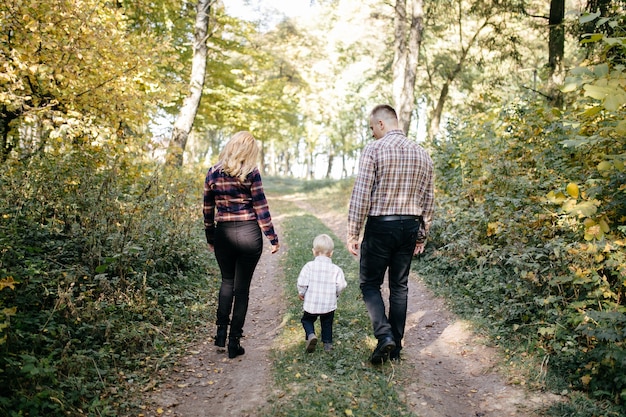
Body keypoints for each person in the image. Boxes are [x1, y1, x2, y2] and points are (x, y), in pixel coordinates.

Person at [347, 104, 434, 364]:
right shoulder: (423, 154)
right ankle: (395, 347)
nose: (372, 133)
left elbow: (362, 194)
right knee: (399, 286)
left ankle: (384, 336)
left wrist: (353, 231)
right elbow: (428, 200)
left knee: (370, 283)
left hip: (380, 225)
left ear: (382, 124)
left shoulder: (374, 149)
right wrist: (422, 234)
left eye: (373, 127)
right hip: (409, 226)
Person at [203, 131, 280, 359]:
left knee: (227, 281)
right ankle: (234, 343)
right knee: (242, 289)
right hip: (248, 233)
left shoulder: (213, 173)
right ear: (248, 151)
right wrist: (272, 238)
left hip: (224, 233)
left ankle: (220, 334)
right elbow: (261, 207)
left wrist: (210, 237)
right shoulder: (251, 173)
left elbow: (207, 210)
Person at [297, 234, 347, 353]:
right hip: (328, 304)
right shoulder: (336, 269)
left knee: (307, 320)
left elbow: (302, 282)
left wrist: (302, 292)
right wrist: (335, 293)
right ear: (331, 253)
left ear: (314, 252)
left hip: (312, 303)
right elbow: (342, 285)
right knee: (327, 323)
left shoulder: (309, 266)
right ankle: (327, 344)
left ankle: (311, 335)